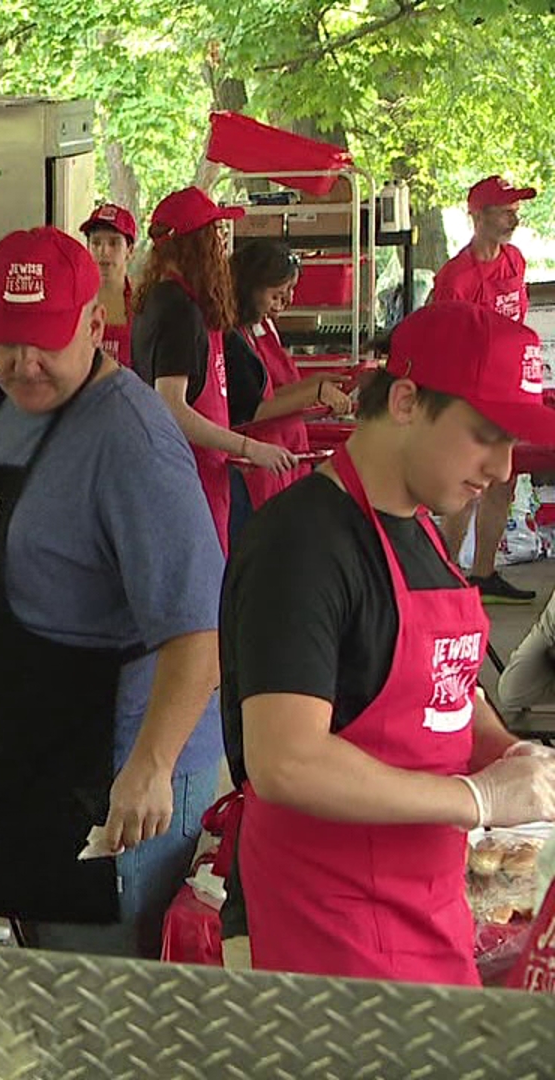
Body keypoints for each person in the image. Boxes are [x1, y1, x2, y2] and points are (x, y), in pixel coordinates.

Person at [0, 228, 225, 958]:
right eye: (7, 344)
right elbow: (38, 517)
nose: (24, 365)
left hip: (112, 778)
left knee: (105, 1009)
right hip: (18, 759)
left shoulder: (131, 438)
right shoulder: (8, 404)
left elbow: (199, 631)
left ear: (95, 326)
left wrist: (150, 768)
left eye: (46, 345)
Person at [221, 301, 555, 985]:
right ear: (405, 401)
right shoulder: (305, 543)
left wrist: (506, 750)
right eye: (485, 435)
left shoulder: (421, 522)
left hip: (425, 914)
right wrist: (480, 799)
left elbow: (448, 685)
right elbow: (287, 761)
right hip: (327, 937)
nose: (501, 467)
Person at [133, 186, 295, 552]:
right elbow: (172, 406)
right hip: (188, 478)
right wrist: (249, 447)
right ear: (196, 243)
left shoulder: (165, 299)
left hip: (196, 473)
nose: (222, 244)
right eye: (216, 234)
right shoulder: (176, 308)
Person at [432, 175, 540, 604]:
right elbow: (443, 343)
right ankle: (445, 574)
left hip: (508, 389)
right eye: (504, 210)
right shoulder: (456, 278)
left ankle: (483, 574)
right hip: (471, 395)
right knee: (468, 485)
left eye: (516, 210)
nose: (513, 218)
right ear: (477, 217)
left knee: (504, 482)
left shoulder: (514, 260)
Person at [224, 239, 353, 536]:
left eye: (290, 292)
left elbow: (278, 392)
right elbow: (252, 411)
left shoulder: (264, 325)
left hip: (286, 455)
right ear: (250, 287)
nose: (286, 300)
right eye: (277, 294)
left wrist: (319, 384)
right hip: (256, 466)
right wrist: (315, 392)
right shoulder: (233, 337)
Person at [80, 204, 136, 370]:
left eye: (114, 243)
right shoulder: (74, 303)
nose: (103, 251)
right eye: (96, 243)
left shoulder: (144, 304)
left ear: (130, 250)